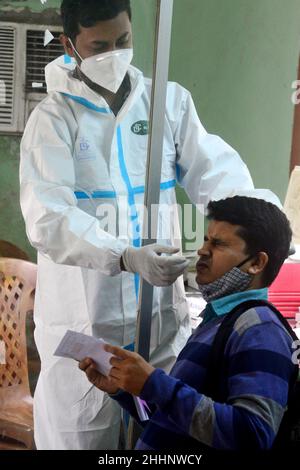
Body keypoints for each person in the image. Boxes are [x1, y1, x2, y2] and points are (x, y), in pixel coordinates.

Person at [19, 0, 275, 450]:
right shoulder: (54, 120)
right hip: (86, 339)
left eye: (123, 41)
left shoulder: (167, 105)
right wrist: (124, 256)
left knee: (163, 442)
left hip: (159, 332)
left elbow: (217, 177)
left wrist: (266, 223)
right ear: (69, 45)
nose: (114, 53)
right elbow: (48, 218)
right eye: (99, 46)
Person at [80, 196, 297, 451]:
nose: (203, 250)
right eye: (206, 239)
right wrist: (126, 390)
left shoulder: (260, 329)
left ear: (257, 263)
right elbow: (179, 421)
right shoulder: (216, 321)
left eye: (218, 244)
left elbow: (253, 435)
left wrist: (155, 384)